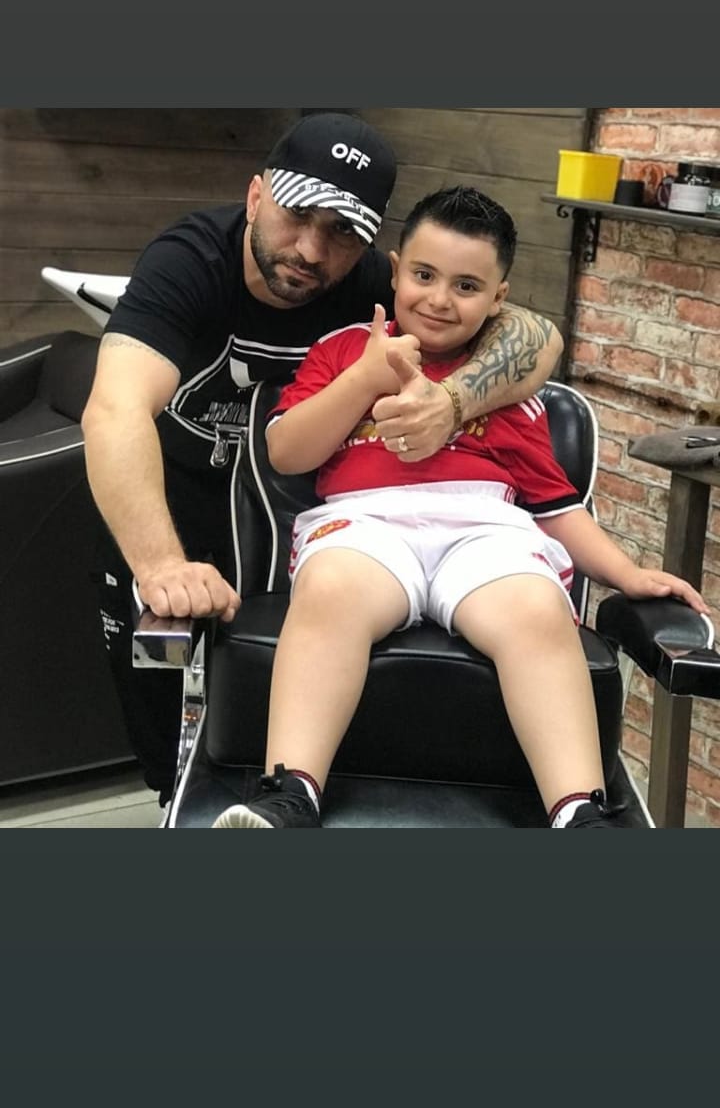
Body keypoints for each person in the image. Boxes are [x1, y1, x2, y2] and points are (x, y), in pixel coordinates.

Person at [81, 115, 564, 809]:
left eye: (342, 231)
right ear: (256, 196)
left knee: (283, 704)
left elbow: (537, 335)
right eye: (296, 215)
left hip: (298, 511)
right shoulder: (190, 261)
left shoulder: (373, 282)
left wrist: (453, 402)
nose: (311, 249)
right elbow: (115, 410)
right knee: (162, 716)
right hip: (170, 490)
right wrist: (159, 564)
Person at [211, 185, 709, 832]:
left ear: (499, 298)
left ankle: (580, 814)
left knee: (536, 611)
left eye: (467, 286)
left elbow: (555, 504)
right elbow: (285, 452)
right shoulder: (342, 351)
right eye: (424, 275)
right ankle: (291, 794)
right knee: (330, 592)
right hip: (364, 524)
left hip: (483, 530)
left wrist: (628, 574)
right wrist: (365, 379)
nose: (440, 299)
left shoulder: (502, 382)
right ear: (395, 272)